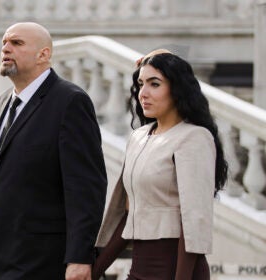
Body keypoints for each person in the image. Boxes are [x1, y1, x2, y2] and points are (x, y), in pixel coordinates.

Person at [0, 22, 107, 280]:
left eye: (16, 43)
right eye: (4, 42)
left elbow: (86, 188)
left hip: (41, 261)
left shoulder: (70, 101)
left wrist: (80, 257)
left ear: (43, 55)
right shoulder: (1, 102)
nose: (6, 48)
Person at [92, 50, 228, 280]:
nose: (143, 93)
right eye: (140, 84)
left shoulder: (194, 138)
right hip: (139, 268)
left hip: (177, 269)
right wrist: (94, 270)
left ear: (177, 89)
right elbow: (128, 213)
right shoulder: (139, 137)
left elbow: (193, 221)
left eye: (154, 84)